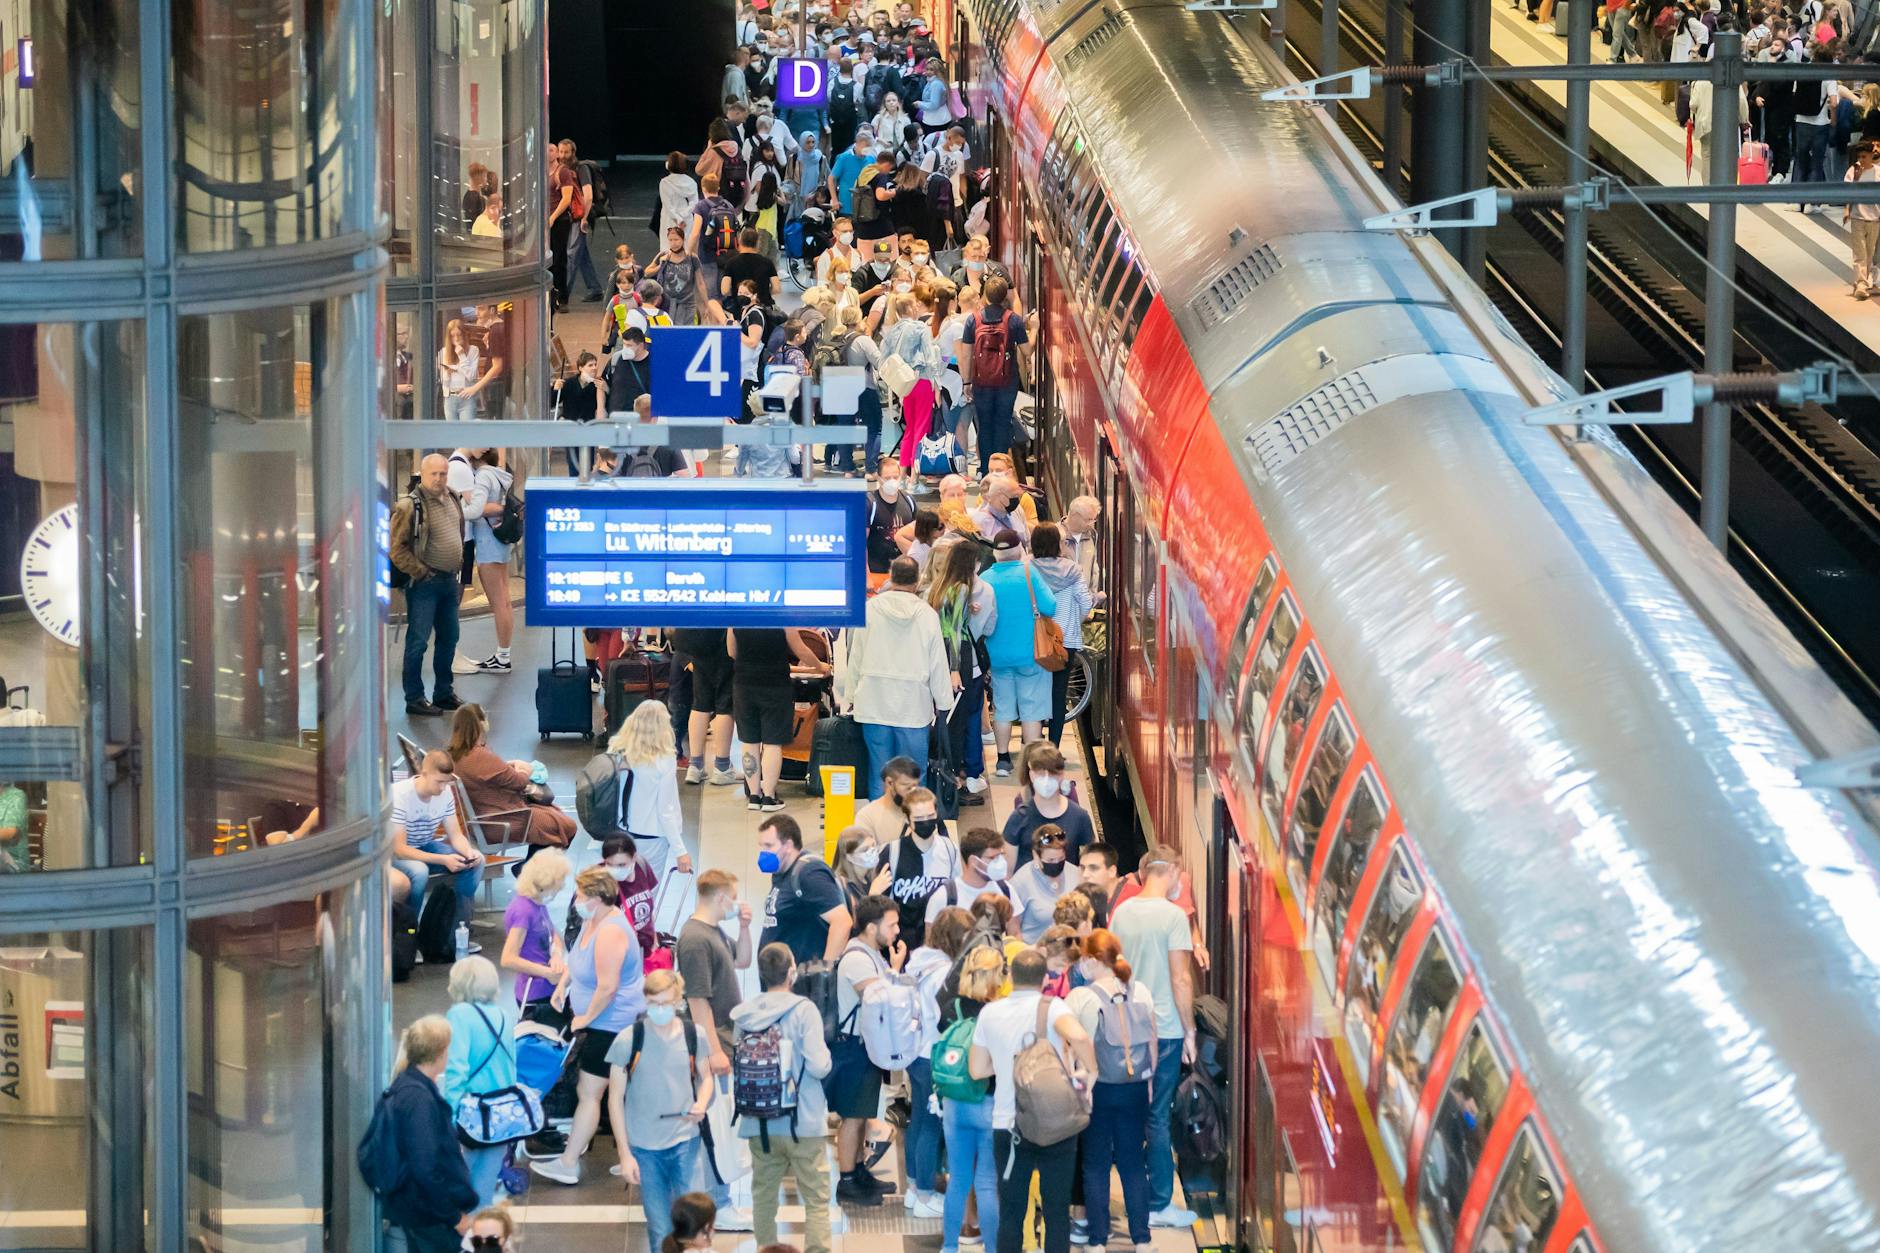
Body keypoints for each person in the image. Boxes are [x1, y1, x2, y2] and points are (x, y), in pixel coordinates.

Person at [967, 947, 1095, 1253]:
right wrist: (1091, 1070)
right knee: (1056, 1210)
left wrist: (1004, 1064)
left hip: (1009, 1124)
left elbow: (976, 1070)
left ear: (1011, 975)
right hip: (1055, 1123)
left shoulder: (990, 1013)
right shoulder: (1053, 1008)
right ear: (1044, 979)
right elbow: (1079, 1037)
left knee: (1011, 1212)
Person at [532, 865, 646, 1185]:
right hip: (600, 1023)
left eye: (581, 894)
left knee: (590, 1091)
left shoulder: (611, 931)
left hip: (612, 1025)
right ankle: (630, 1156)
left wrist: (586, 1018)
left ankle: (569, 1162)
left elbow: (608, 987)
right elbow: (577, 960)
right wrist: (563, 985)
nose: (576, 900)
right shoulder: (591, 922)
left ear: (598, 897)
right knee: (603, 1093)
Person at [1110, 850, 1199, 1228]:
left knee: (1131, 1115)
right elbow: (1181, 979)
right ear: (1174, 871)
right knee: (1158, 1117)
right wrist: (1190, 1030)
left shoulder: (1122, 913)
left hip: (1128, 1028)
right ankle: (1160, 1202)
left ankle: (1133, 1194)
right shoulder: (1174, 917)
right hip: (1164, 1031)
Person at [733, 943, 836, 1253]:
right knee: (816, 1200)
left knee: (763, 1196)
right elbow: (819, 1066)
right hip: (803, 1120)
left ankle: (766, 1248)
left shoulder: (745, 1014)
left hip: (759, 1123)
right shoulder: (804, 1010)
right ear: (792, 972)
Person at [605, 969, 716, 1250]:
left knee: (692, 1222)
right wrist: (624, 1153)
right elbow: (615, 1098)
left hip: (685, 1140)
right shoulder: (628, 1040)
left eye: (665, 1003)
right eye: (653, 1004)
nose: (659, 1010)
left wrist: (701, 1103)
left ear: (679, 1002)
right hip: (644, 1146)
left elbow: (706, 1077)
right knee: (659, 1228)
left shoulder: (694, 1034)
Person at [1064, 931, 1156, 1253]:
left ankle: (1098, 1241)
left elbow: (1072, 1045)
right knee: (1133, 1163)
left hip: (1097, 1089)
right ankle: (1142, 1239)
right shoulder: (1140, 991)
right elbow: (1152, 1042)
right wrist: (1148, 1081)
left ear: (1090, 961)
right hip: (1134, 1087)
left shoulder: (1081, 997)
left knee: (1096, 1164)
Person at [677, 870, 756, 1227]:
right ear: (720, 897)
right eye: (733, 897)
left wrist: (742, 927)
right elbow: (698, 1000)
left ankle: (715, 1200)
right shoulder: (695, 939)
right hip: (715, 1043)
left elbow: (742, 961)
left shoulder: (713, 932)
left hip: (725, 1038)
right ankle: (717, 1203)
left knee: (719, 1124)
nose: (735, 903)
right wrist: (712, 1051)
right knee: (715, 1127)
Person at [842, 556, 954, 787]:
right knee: (914, 775)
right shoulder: (926, 615)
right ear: (917, 581)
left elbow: (856, 656)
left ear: (891, 579)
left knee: (879, 774)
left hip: (873, 702)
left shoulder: (869, 610)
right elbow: (938, 663)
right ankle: (914, 821)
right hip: (913, 705)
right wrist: (944, 702)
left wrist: (850, 695)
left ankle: (880, 821)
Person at [377, 1016, 479, 1252]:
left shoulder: (408, 1086)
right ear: (441, 1053)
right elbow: (426, 1168)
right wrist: (453, 1217)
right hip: (426, 1212)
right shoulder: (419, 1100)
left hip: (415, 1207)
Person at [832, 894, 907, 1206]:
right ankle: (847, 1181)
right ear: (872, 926)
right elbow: (881, 998)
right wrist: (896, 969)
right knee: (852, 1116)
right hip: (852, 1048)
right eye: (891, 925)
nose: (896, 931)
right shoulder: (857, 959)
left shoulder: (871, 954)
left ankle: (859, 1171)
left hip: (866, 1046)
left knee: (863, 1112)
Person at [939, 944, 1007, 1253]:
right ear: (996, 974)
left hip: (954, 1101)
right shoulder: (1000, 1011)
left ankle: (950, 1246)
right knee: (986, 1183)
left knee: (958, 1178)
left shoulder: (950, 1006)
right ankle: (992, 1248)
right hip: (989, 1102)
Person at [442, 956, 520, 1206]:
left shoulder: (459, 1015)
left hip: (470, 1113)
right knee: (484, 1191)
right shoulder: (504, 1015)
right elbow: (510, 1065)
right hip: (500, 1114)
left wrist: (449, 1116)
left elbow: (457, 1069)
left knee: (456, 1186)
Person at [392, 455, 467, 716]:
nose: (438, 479)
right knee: (418, 642)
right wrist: (421, 572)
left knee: (449, 638)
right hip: (425, 584)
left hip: (448, 581)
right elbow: (396, 549)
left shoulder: (453, 498)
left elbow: (459, 533)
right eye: (433, 474)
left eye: (443, 474)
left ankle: (443, 693)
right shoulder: (409, 506)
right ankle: (414, 697)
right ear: (422, 475)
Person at [446, 704, 576, 850]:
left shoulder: (454, 755)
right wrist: (525, 769)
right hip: (503, 820)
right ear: (481, 724)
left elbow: (494, 773)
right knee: (568, 826)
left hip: (484, 818)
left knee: (553, 815)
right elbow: (519, 782)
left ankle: (530, 865)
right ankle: (529, 867)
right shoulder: (480, 756)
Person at [979, 530, 1055, 774]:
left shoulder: (986, 577)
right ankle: (1032, 763)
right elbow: (1050, 606)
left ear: (995, 553)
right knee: (1032, 709)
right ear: (1020, 550)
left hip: (998, 655)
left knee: (1002, 707)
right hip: (1031, 653)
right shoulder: (1029, 573)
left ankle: (1002, 761)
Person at [390, 751, 483, 941]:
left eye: (446, 782)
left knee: (476, 862)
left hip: (424, 845)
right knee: (419, 872)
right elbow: (400, 849)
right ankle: (409, 934)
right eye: (438, 782)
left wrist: (467, 852)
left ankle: (455, 930)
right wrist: (443, 859)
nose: (443, 788)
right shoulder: (400, 795)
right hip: (393, 852)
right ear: (423, 773)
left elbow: (456, 835)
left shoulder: (446, 793)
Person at [609, 698, 691, 882]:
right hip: (652, 835)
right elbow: (665, 810)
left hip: (622, 830)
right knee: (646, 894)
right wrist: (680, 850)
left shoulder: (618, 751)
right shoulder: (664, 759)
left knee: (624, 890)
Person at [1030, 524, 1096, 745]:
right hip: (1064, 642)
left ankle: (1034, 741)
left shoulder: (1027, 569)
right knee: (1058, 695)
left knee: (1035, 694)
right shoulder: (1073, 570)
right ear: (1057, 544)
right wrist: (1074, 622)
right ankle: (1053, 746)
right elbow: (1086, 602)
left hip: (1034, 641)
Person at [758, 813, 855, 963]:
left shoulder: (809, 874)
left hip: (804, 981)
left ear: (788, 846)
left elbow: (842, 922)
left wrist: (824, 972)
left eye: (769, 846)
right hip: (783, 980)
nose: (763, 852)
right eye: (762, 846)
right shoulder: (783, 871)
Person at [962, 277, 1028, 474]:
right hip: (1007, 382)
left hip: (981, 382)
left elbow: (966, 354)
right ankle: (1000, 470)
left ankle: (984, 470)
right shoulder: (1013, 320)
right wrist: (1035, 329)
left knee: (984, 425)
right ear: (1005, 297)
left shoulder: (973, 319)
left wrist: (967, 381)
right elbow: (1027, 351)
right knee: (1002, 423)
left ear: (985, 296)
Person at [501, 848, 571, 1013]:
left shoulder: (538, 903)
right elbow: (508, 958)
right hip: (534, 994)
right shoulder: (523, 911)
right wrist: (546, 973)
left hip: (548, 986)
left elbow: (553, 934)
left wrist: (556, 955)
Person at [1003, 745, 1096, 865]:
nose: (1046, 780)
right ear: (1031, 775)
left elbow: (1091, 862)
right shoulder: (1018, 818)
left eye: (1052, 774)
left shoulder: (1080, 817)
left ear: (1061, 774)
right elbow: (1008, 870)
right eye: (1040, 773)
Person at [674, 628, 740, 785]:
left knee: (700, 704)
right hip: (722, 641)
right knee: (725, 704)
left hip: (696, 641)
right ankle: (722, 768)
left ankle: (695, 766)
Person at [1008, 824, 1083, 943]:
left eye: (1061, 859)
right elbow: (1014, 931)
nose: (1057, 863)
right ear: (1036, 856)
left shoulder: (1076, 874)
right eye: (1051, 860)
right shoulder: (1020, 882)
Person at [925, 825, 1012, 926]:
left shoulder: (1006, 889)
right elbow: (932, 939)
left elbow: (1015, 933)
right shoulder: (943, 897)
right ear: (973, 861)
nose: (1001, 862)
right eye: (993, 858)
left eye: (1001, 855)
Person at [554, 350, 606, 476]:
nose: (594, 367)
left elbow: (604, 405)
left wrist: (606, 389)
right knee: (573, 464)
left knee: (587, 466)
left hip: (589, 430)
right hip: (571, 430)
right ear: (581, 368)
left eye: (595, 364)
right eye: (590, 365)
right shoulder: (569, 384)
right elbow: (553, 402)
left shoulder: (597, 385)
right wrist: (555, 389)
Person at [652, 225, 715, 327]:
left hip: (687, 302)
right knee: (668, 330)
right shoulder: (664, 257)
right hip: (667, 302)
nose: (674, 243)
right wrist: (660, 266)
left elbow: (700, 282)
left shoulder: (692, 258)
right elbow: (647, 272)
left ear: (683, 239)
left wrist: (706, 304)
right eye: (671, 240)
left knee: (685, 330)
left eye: (676, 239)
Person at [864, 458, 917, 573]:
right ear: (878, 478)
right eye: (887, 478)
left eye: (896, 477)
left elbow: (918, 537)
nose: (892, 481)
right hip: (877, 571)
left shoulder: (909, 500)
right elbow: (860, 543)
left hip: (904, 572)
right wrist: (867, 576)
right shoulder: (869, 503)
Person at [1846, 140, 1880, 297]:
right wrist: (1847, 209)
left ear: (1871, 156)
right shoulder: (1854, 171)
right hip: (1857, 217)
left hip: (1875, 218)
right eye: (1859, 156)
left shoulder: (1878, 172)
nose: (1861, 159)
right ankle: (1861, 283)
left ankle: (1867, 281)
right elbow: (1847, 192)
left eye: (1864, 156)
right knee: (1859, 252)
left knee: (1870, 252)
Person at [548, 146, 580, 309]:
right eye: (547, 150)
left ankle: (563, 297)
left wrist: (552, 217)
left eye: (552, 150)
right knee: (548, 261)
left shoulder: (563, 172)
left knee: (559, 259)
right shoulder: (539, 172)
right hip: (545, 222)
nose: (550, 153)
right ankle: (550, 295)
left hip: (559, 221)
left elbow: (566, 198)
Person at [970, 474, 1031, 549]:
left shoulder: (1013, 513)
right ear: (1001, 497)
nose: (1016, 500)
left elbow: (1026, 540)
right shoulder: (980, 521)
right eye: (1014, 496)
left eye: (1017, 496)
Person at [829, 128, 875, 217]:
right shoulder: (844, 157)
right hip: (846, 205)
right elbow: (831, 179)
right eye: (865, 146)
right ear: (857, 143)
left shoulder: (871, 159)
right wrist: (834, 199)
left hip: (865, 206)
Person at [1059, 496, 1101, 588]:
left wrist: (1092, 596)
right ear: (1074, 515)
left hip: (1085, 599)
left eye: (1094, 519)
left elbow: (1094, 569)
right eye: (1088, 519)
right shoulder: (1054, 534)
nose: (1092, 523)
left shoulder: (1092, 535)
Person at [1077, 843, 1120, 928]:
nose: (1085, 874)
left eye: (1093, 868)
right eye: (1082, 868)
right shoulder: (1081, 900)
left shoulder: (1133, 899)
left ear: (1112, 871)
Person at [660, 151, 700, 237]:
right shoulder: (691, 182)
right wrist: (684, 215)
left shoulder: (665, 182)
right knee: (686, 244)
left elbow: (667, 205)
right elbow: (694, 202)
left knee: (668, 245)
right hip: (687, 218)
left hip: (670, 219)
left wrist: (678, 218)